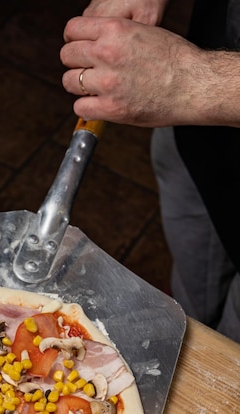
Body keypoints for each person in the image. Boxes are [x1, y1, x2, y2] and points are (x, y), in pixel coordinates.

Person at [60, 0, 240, 343]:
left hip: (192, 85)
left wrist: (191, 79)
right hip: (197, 128)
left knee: (227, 356)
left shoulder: (186, 80)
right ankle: (189, 327)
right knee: (192, 291)